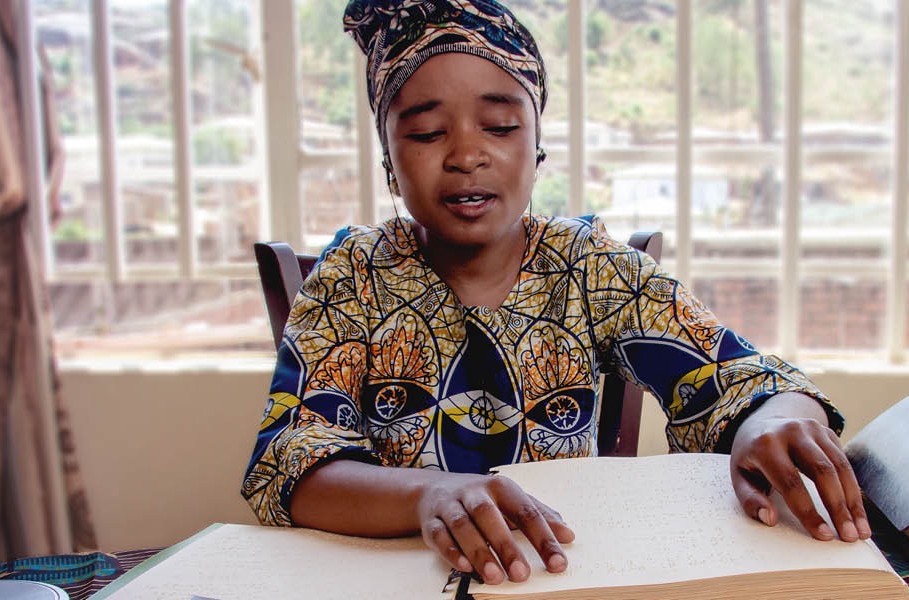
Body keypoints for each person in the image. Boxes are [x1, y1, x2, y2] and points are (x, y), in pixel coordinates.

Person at [242, 0, 869, 586]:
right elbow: (294, 463)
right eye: (428, 133)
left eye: (500, 125)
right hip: (395, 580)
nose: (466, 154)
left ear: (537, 148)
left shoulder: (587, 267)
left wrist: (780, 416)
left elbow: (736, 378)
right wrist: (429, 491)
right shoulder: (351, 276)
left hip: (561, 574)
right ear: (388, 159)